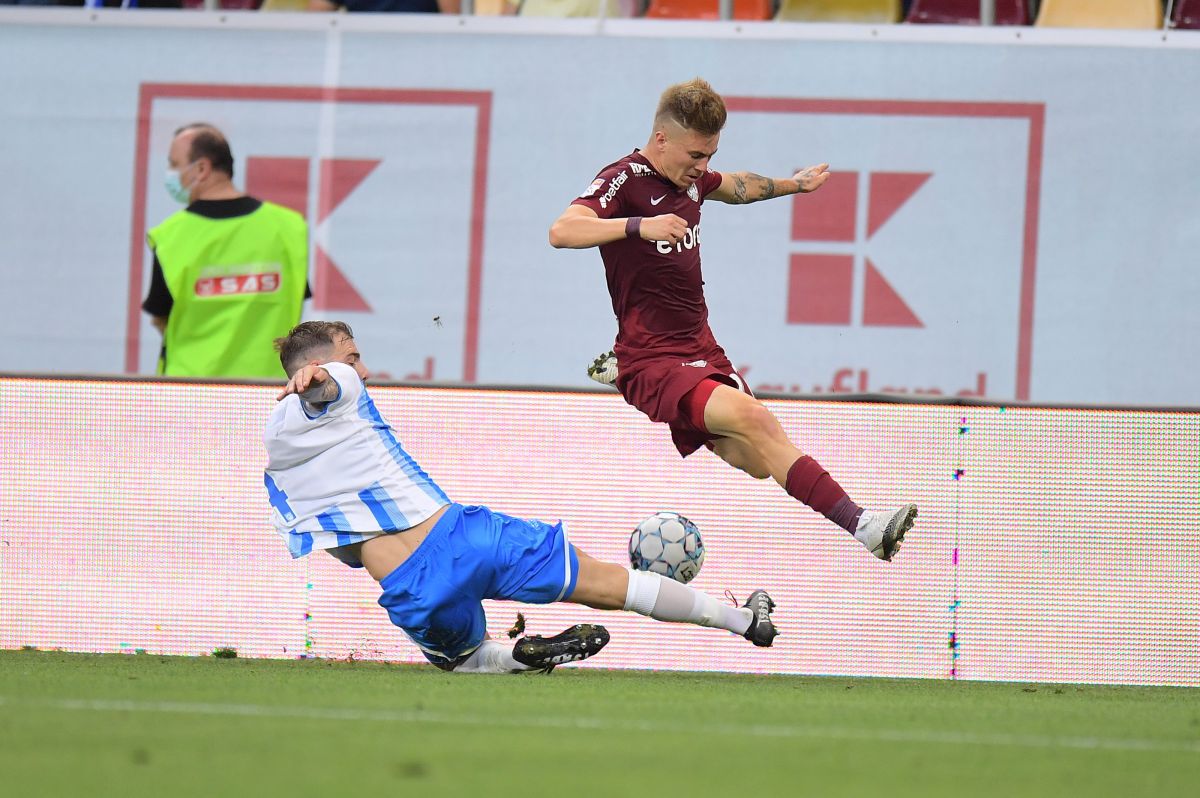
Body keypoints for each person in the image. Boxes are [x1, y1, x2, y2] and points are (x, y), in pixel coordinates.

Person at [263, 320, 779, 674]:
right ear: (322, 362)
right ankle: (745, 621)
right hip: (465, 536)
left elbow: (341, 549)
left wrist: (313, 382)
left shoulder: (279, 459)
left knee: (462, 659)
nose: (364, 368)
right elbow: (329, 385)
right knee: (611, 583)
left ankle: (517, 656)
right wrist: (321, 378)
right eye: (354, 357)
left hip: (405, 582)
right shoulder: (342, 382)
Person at [549, 78, 917, 561]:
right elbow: (563, 230)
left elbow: (738, 186)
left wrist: (794, 185)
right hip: (653, 359)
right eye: (696, 155)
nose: (703, 167)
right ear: (661, 139)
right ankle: (864, 525)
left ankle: (619, 378)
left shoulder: (692, 177)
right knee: (755, 419)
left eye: (710, 155)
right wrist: (640, 226)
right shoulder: (624, 180)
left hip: (701, 349)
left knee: (759, 459)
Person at [143, 123, 309, 379]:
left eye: (174, 164)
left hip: (191, 394)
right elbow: (294, 300)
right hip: (273, 391)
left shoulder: (172, 237)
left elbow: (160, 318)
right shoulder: (288, 228)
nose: (171, 173)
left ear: (201, 168)